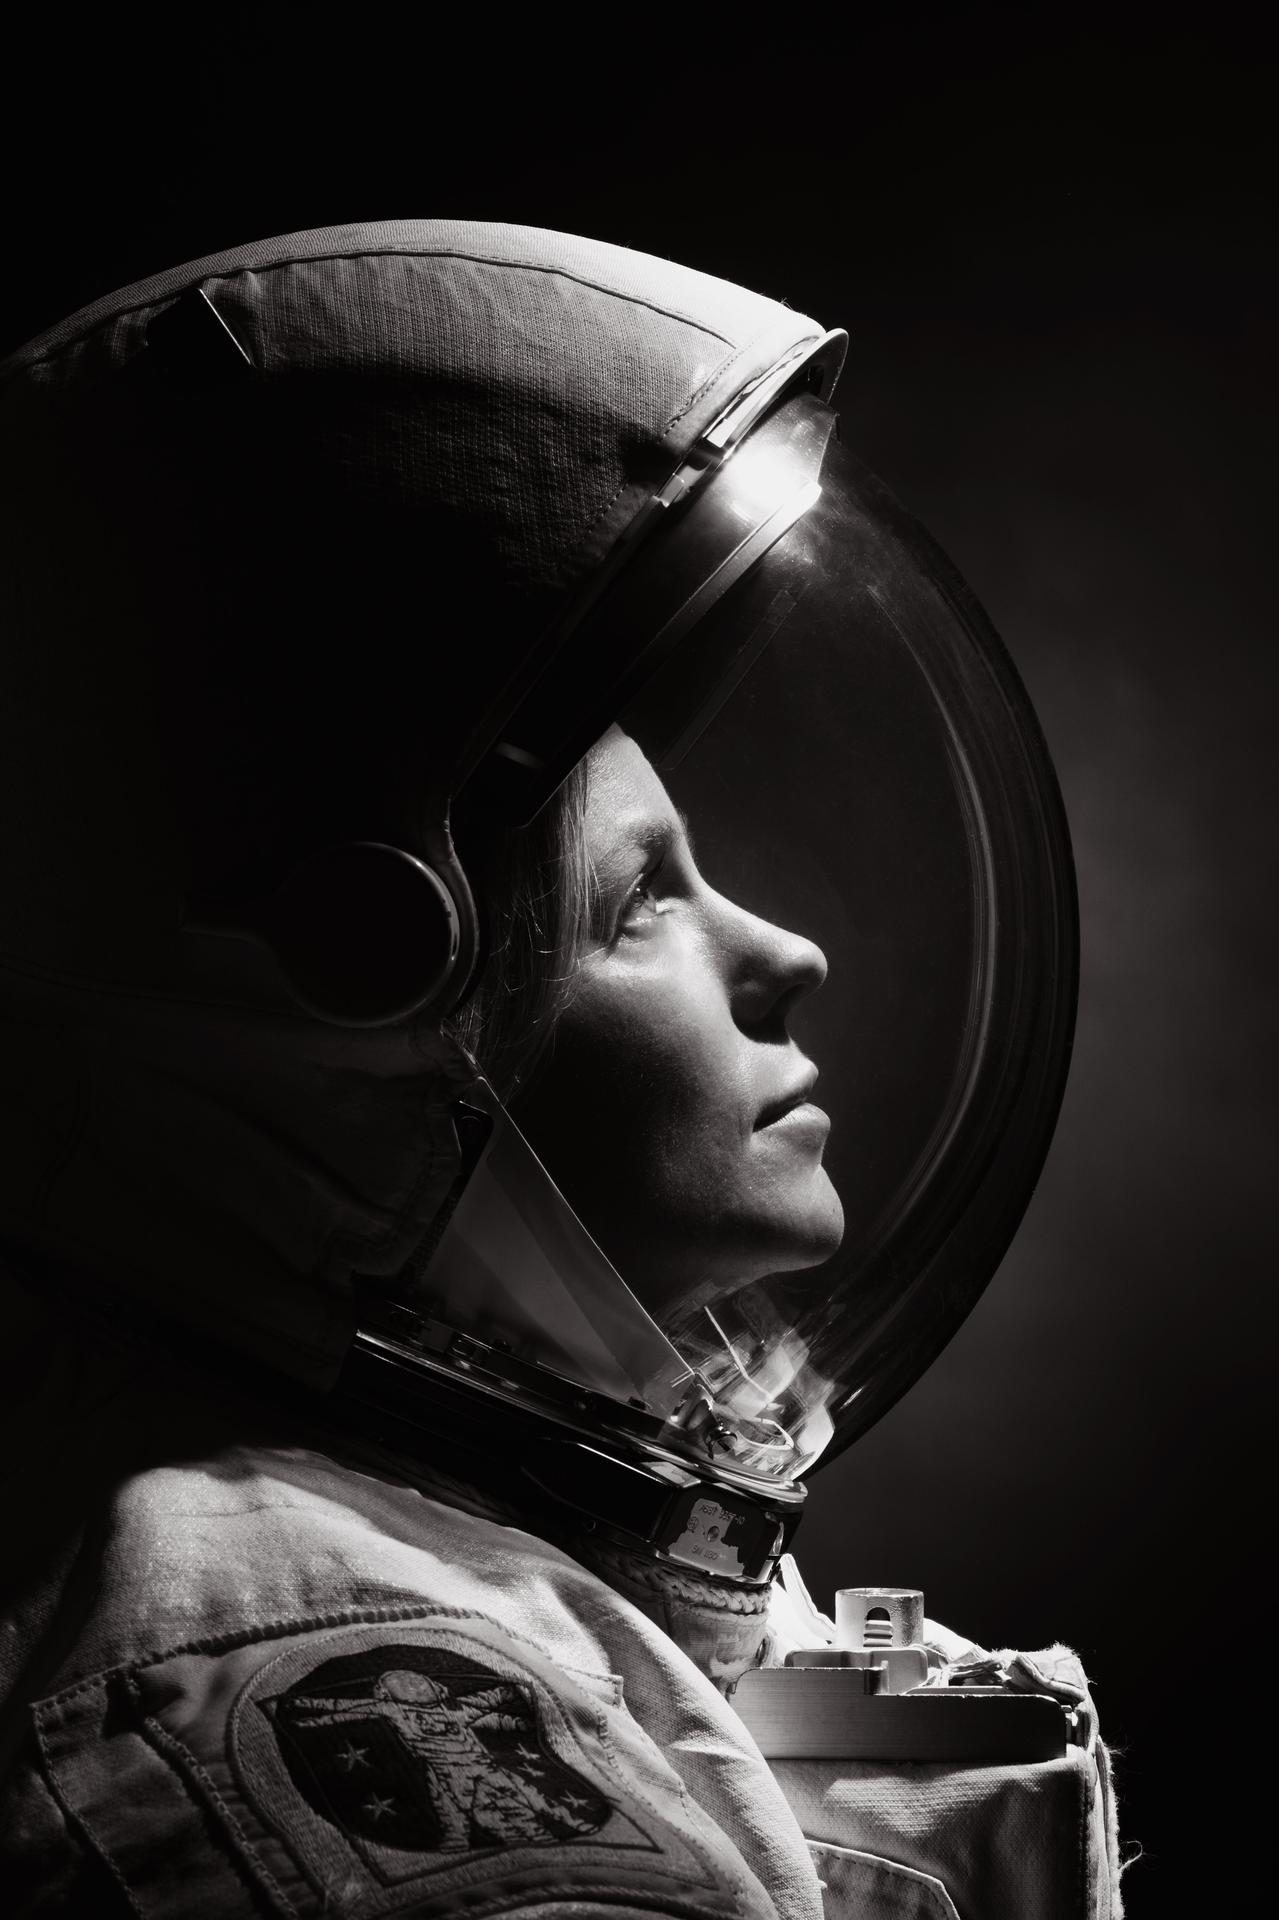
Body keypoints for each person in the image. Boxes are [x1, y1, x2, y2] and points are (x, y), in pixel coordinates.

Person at [0, 222, 1118, 1915]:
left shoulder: (478, 1575)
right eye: (639, 903)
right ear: (355, 1017)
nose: (785, 955)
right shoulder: (305, 1661)